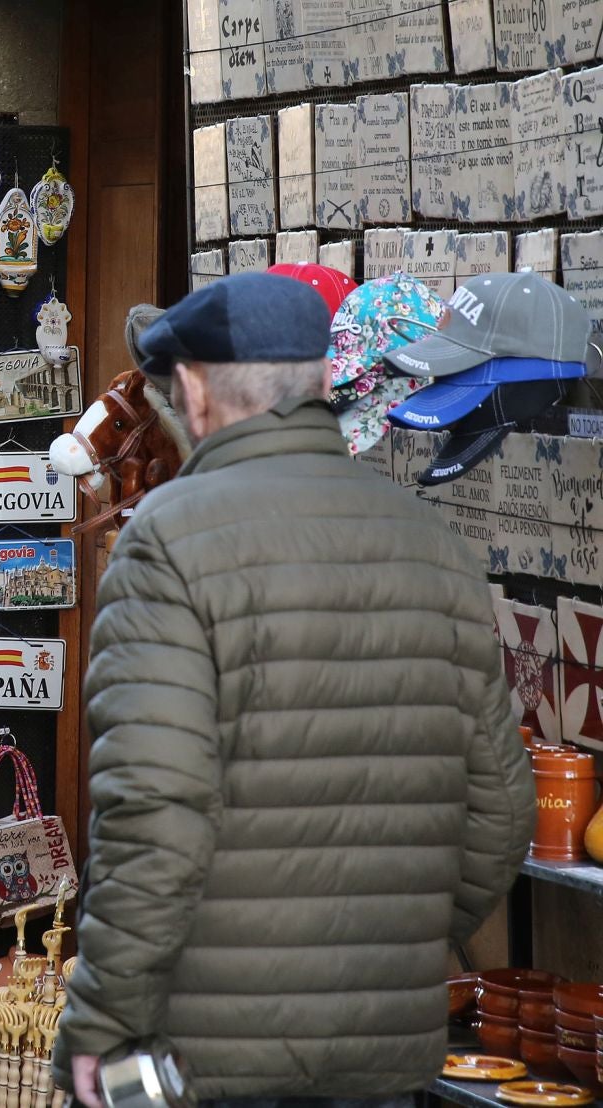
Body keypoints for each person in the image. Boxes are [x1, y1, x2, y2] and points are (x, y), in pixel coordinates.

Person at [54, 272, 537, 1107]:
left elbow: (153, 822)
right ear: (320, 383)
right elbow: (502, 815)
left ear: (195, 393)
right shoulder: (434, 546)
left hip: (208, 1060)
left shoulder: (167, 545)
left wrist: (98, 1032)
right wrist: (391, 952)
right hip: (386, 1053)